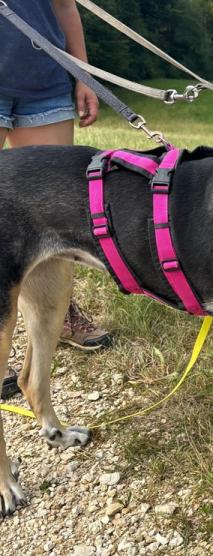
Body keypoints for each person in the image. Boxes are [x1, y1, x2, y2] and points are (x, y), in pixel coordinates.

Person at [0, 0, 111, 399]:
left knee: (54, 219)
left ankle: (58, 315)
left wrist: (83, 76)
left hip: (44, 84)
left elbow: (64, 5)